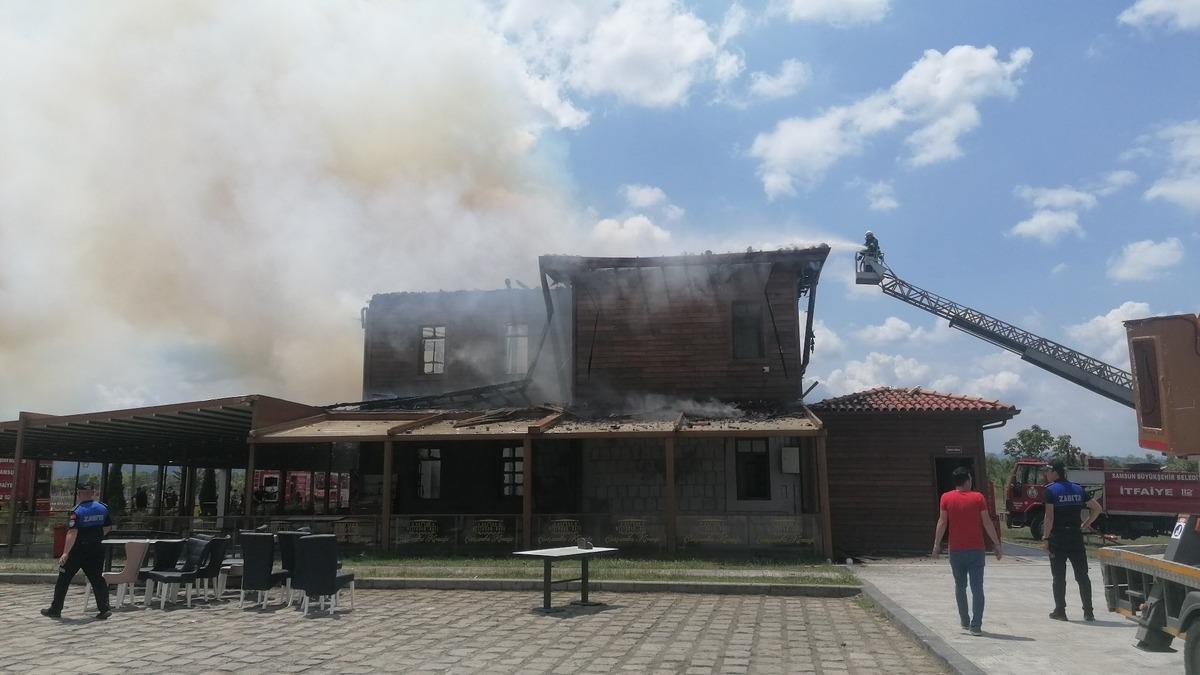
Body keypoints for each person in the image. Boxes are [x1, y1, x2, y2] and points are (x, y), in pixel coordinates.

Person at [932, 466, 1002, 636]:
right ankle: (976, 625)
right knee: (977, 587)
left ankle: (964, 620)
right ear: (968, 480)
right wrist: (996, 543)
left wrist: (936, 544)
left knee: (960, 585)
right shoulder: (978, 498)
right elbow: (987, 522)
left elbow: (942, 522)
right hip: (976, 549)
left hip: (955, 550)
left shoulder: (946, 498)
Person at [41, 484, 113, 620]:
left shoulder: (77, 511)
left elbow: (72, 532)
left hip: (77, 550)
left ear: (79, 494)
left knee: (63, 579)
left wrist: (65, 553)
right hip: (96, 549)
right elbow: (108, 527)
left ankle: (55, 609)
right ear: (93, 493)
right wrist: (95, 537)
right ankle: (104, 609)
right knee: (97, 579)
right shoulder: (103, 508)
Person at [1042, 460, 1102, 621]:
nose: (1046, 474)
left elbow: (1049, 517)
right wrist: (1086, 524)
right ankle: (1088, 612)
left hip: (1057, 539)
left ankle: (1060, 611)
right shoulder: (1078, 489)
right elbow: (1097, 508)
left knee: (1059, 577)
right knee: (1082, 575)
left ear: (1055, 472)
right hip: (1076, 537)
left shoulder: (1050, 491)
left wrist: (1045, 538)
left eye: (1047, 471)